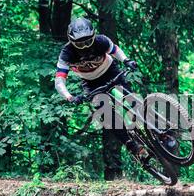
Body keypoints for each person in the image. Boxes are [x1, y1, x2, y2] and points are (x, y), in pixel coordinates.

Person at [54, 17, 146, 158]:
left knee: (130, 99)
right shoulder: (66, 53)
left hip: (111, 72)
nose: (85, 47)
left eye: (88, 41)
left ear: (93, 36)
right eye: (80, 44)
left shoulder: (101, 40)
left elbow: (115, 50)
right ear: (71, 41)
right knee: (106, 112)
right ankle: (131, 145)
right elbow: (59, 80)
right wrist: (69, 97)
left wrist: (126, 60)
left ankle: (156, 126)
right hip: (91, 83)